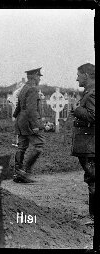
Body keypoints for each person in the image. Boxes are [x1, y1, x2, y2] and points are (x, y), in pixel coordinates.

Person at [70, 63, 95, 224]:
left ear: (86, 75)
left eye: (78, 74)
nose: (76, 77)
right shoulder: (89, 92)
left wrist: (75, 109)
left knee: (93, 177)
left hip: (90, 143)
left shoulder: (92, 93)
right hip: (88, 142)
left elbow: (93, 116)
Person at [13, 67, 45, 183]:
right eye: (39, 76)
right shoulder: (33, 89)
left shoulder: (24, 88)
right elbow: (31, 109)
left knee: (21, 147)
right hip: (28, 122)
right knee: (39, 145)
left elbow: (18, 107)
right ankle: (25, 173)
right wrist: (36, 125)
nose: (39, 79)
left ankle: (17, 173)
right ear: (35, 76)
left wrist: (17, 118)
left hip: (21, 121)